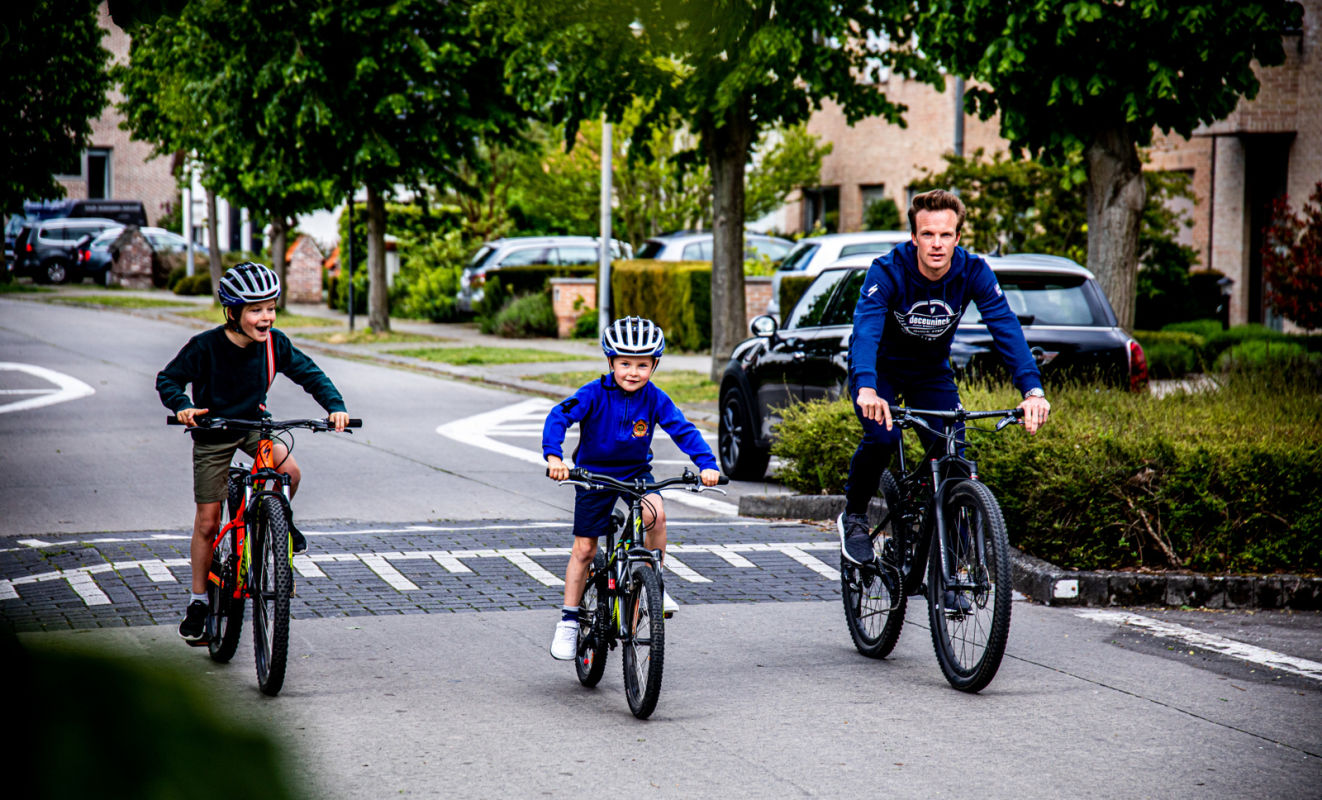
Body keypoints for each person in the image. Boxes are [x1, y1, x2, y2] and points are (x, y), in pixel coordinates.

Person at [838, 189, 1051, 566]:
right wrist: (867, 387)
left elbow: (1005, 327)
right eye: (928, 235)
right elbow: (867, 330)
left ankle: (955, 560)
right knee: (883, 436)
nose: (937, 244)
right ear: (914, 237)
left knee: (953, 457)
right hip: (880, 371)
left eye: (946, 235)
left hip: (930, 371)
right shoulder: (887, 270)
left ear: (957, 236)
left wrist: (1032, 389)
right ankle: (853, 517)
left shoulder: (973, 271)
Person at [157, 261, 349, 643]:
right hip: (213, 433)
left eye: (271, 308)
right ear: (233, 312)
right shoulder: (206, 347)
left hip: (256, 427)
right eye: (256, 310)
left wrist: (335, 406)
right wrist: (182, 406)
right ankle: (198, 600)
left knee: (289, 472)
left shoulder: (276, 344)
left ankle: (270, 526)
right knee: (208, 523)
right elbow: (169, 378)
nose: (267, 318)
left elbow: (310, 374)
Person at [543, 316, 721, 661]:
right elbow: (558, 416)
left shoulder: (655, 398)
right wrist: (554, 456)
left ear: (654, 365)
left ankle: (655, 584)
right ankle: (568, 621)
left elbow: (683, 430)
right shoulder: (593, 393)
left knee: (657, 514)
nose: (633, 372)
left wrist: (707, 464)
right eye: (624, 363)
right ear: (611, 362)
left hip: (636, 472)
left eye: (642, 365)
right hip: (593, 474)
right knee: (585, 548)